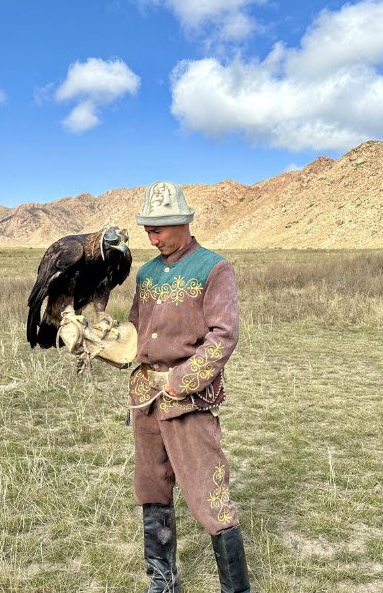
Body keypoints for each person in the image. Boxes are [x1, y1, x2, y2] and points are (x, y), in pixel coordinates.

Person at [127, 181, 250, 592]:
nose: (153, 236)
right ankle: (163, 581)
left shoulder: (213, 268)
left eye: (160, 228)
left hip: (188, 401)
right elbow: (134, 331)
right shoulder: (145, 273)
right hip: (145, 400)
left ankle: (236, 589)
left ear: (184, 222)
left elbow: (223, 336)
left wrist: (180, 382)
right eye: (148, 228)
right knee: (151, 486)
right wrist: (97, 340)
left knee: (208, 495)